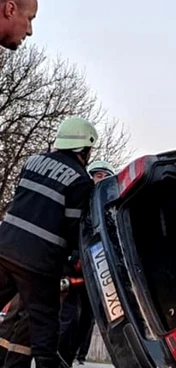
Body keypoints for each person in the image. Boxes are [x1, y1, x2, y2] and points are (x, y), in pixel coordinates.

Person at [0, 117, 97, 368]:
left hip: (5, 247)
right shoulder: (80, 180)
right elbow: (73, 229)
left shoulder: (32, 162)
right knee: (44, 328)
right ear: (84, 148)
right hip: (38, 263)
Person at [58, 160, 115, 366]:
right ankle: (61, 356)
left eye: (105, 176)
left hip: (96, 271)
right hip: (72, 267)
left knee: (88, 320)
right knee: (68, 317)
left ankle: (71, 356)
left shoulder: (110, 209)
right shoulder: (79, 201)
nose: (100, 179)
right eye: (97, 175)